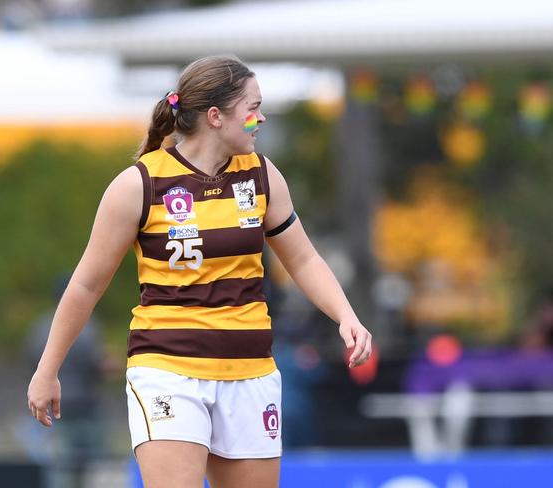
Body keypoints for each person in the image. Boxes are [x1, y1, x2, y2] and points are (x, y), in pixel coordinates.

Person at [27, 55, 372, 488]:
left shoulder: (262, 177)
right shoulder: (140, 185)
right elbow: (86, 285)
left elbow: (302, 259)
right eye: (252, 108)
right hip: (168, 370)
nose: (260, 118)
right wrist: (48, 368)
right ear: (215, 117)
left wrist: (347, 317)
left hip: (250, 372)